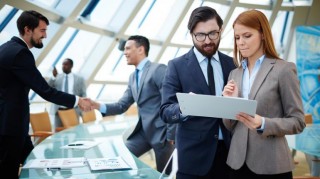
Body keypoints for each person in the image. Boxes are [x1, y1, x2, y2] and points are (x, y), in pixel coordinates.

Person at [0, 10, 90, 178]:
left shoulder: (5, 48)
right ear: (28, 30)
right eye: (42, 31)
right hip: (10, 128)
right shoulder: (20, 54)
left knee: (34, 165)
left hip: (13, 126)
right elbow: (45, 90)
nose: (46, 36)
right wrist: (77, 100)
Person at [222, 9, 305, 179]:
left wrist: (264, 123)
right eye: (237, 38)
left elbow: (298, 121)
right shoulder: (234, 74)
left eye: (247, 36)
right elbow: (230, 126)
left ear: (262, 35)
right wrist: (229, 102)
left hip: (271, 166)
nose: (241, 43)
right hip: (236, 164)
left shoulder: (284, 69)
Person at [160, 6, 236, 179]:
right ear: (191, 34)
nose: (207, 40)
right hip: (193, 158)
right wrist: (184, 108)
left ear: (221, 31)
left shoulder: (231, 64)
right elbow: (165, 111)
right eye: (200, 35)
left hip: (229, 156)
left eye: (212, 34)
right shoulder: (176, 66)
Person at [90, 35, 175, 174]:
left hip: (162, 135)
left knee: (163, 175)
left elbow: (171, 101)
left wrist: (172, 134)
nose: (124, 53)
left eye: (128, 48)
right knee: (119, 158)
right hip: (143, 133)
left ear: (141, 49)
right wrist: (97, 105)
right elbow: (122, 105)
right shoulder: (132, 77)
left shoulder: (158, 69)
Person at [48, 58, 87, 128]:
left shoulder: (79, 79)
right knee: (58, 132)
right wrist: (53, 77)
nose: (63, 66)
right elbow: (48, 87)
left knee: (75, 132)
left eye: (66, 64)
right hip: (59, 110)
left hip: (73, 110)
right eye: (63, 64)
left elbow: (83, 94)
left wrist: (81, 108)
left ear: (71, 66)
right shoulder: (57, 77)